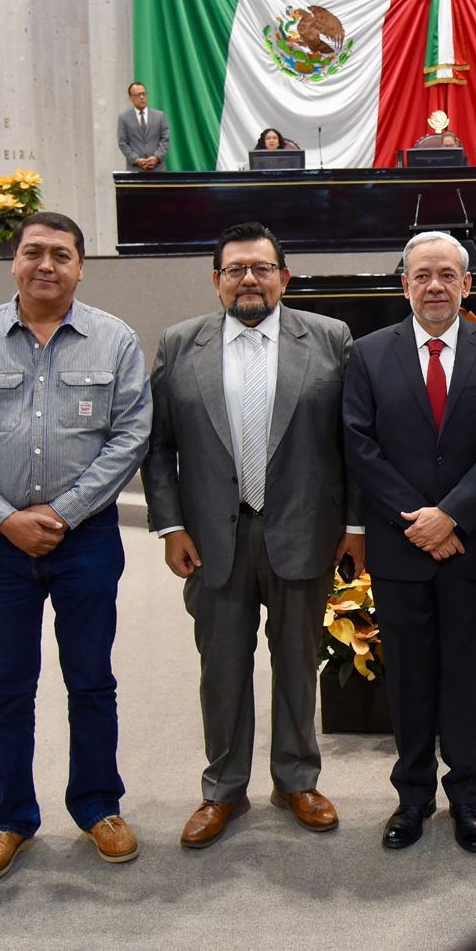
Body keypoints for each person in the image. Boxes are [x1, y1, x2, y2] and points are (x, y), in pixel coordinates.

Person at [0, 211, 152, 883]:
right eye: (34, 252)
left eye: (61, 254)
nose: (46, 265)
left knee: (91, 681)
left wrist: (61, 511)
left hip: (85, 542)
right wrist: (4, 518)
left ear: (81, 266)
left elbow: (130, 435)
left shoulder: (113, 340)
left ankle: (97, 806)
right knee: (6, 687)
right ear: (14, 262)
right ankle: (10, 818)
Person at [141, 221, 363, 849]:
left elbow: (354, 443)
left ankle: (296, 779)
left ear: (283, 277)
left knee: (298, 663)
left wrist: (353, 526)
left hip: (305, 531)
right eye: (235, 269)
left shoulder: (329, 339)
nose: (249, 278)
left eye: (262, 268)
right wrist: (171, 524)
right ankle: (224, 790)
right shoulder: (180, 343)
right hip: (213, 539)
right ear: (217, 281)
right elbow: (159, 448)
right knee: (223, 668)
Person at [342, 230, 476, 854]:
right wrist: (417, 522)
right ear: (405, 284)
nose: (435, 286)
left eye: (448, 274)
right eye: (422, 275)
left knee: (467, 677)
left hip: (471, 547)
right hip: (401, 552)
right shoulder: (368, 354)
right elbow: (359, 446)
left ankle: (467, 798)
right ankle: (413, 796)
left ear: (467, 283)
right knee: (410, 679)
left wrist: (450, 516)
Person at [117, 82, 169, 172]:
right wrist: (136, 160)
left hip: (158, 169)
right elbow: (122, 143)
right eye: (138, 95)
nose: (142, 97)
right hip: (135, 169)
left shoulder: (160, 116)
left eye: (143, 94)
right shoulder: (124, 118)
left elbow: (165, 139)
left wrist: (156, 157)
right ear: (131, 98)